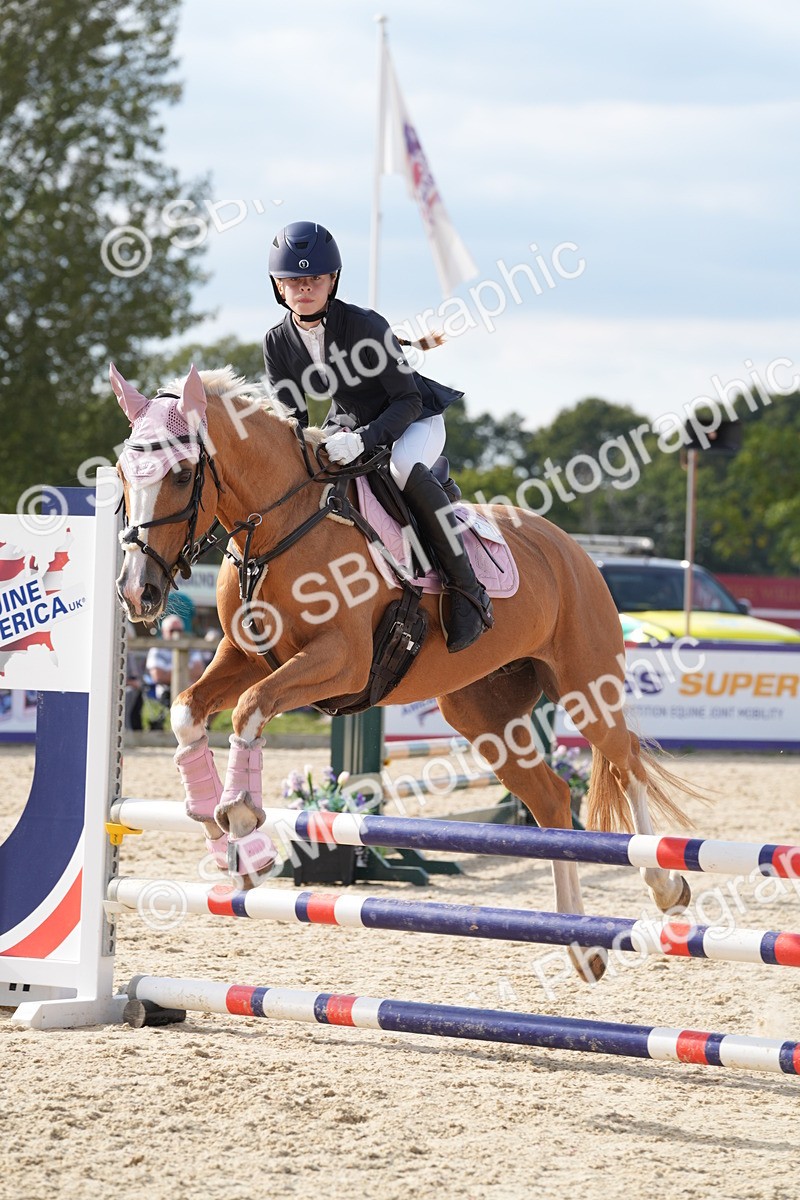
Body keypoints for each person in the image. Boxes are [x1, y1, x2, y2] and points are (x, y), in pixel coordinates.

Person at [263, 220, 493, 653]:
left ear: (333, 280)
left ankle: (467, 590)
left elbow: (405, 400)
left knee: (401, 468)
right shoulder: (277, 342)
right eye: (294, 281)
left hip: (413, 419)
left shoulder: (365, 326)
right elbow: (290, 421)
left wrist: (364, 441)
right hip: (346, 422)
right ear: (278, 287)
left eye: (314, 279)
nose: (304, 288)